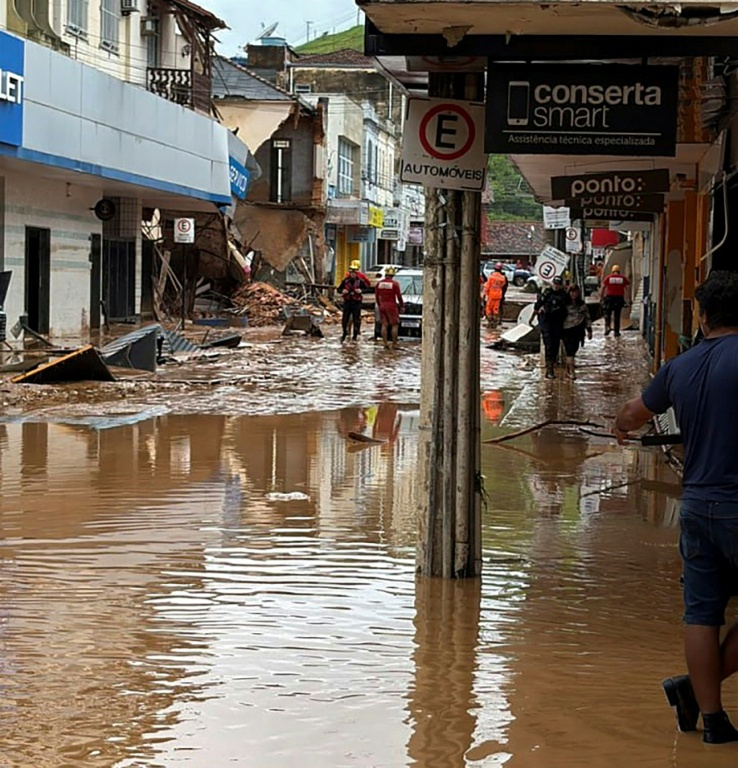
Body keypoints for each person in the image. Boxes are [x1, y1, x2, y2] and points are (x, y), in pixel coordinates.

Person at [612, 270, 738, 745]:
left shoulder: (679, 367)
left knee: (702, 615)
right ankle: (692, 689)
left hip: (698, 505)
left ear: (702, 318)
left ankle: (713, 720)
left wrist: (622, 427)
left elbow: (630, 414)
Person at [534, 275, 570, 379]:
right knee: (548, 345)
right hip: (547, 322)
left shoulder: (564, 295)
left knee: (555, 345)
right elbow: (537, 306)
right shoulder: (547, 293)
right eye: (555, 284)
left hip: (558, 323)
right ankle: (549, 369)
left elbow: (570, 307)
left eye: (558, 284)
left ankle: (552, 365)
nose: (556, 286)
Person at [561, 284, 592, 380]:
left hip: (578, 330)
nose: (573, 294)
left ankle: (568, 370)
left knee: (573, 351)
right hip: (566, 330)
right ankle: (572, 372)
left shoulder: (581, 304)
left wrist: (589, 330)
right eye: (572, 292)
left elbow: (587, 317)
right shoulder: (564, 304)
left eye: (575, 292)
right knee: (569, 351)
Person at [337, 263, 370, 342]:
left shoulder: (360, 281)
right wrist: (342, 291)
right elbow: (338, 289)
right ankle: (344, 333)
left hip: (356, 303)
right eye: (351, 273)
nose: (353, 275)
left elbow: (368, 289)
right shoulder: (345, 281)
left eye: (354, 273)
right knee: (345, 319)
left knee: (356, 319)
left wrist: (361, 291)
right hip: (347, 302)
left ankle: (355, 335)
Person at [375, 266, 404, 349]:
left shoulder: (379, 284)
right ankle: (394, 344)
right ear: (393, 275)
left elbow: (377, 296)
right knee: (394, 325)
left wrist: (380, 305)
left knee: (384, 324)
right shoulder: (395, 284)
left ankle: (385, 343)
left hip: (382, 305)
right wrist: (402, 306)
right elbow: (399, 296)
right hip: (391, 305)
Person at [600, 264, 630, 337]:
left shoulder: (608, 278)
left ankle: (607, 327)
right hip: (619, 298)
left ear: (612, 271)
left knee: (607, 314)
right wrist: (628, 299)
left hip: (609, 298)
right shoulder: (623, 278)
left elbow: (603, 287)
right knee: (617, 315)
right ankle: (616, 332)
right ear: (618, 271)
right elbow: (627, 288)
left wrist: (601, 297)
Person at [483, 262, 508, 327]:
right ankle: (495, 323)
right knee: (495, 309)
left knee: (488, 308)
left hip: (491, 295)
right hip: (498, 295)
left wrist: (484, 294)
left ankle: (490, 322)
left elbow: (487, 286)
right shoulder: (502, 278)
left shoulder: (491, 277)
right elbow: (503, 285)